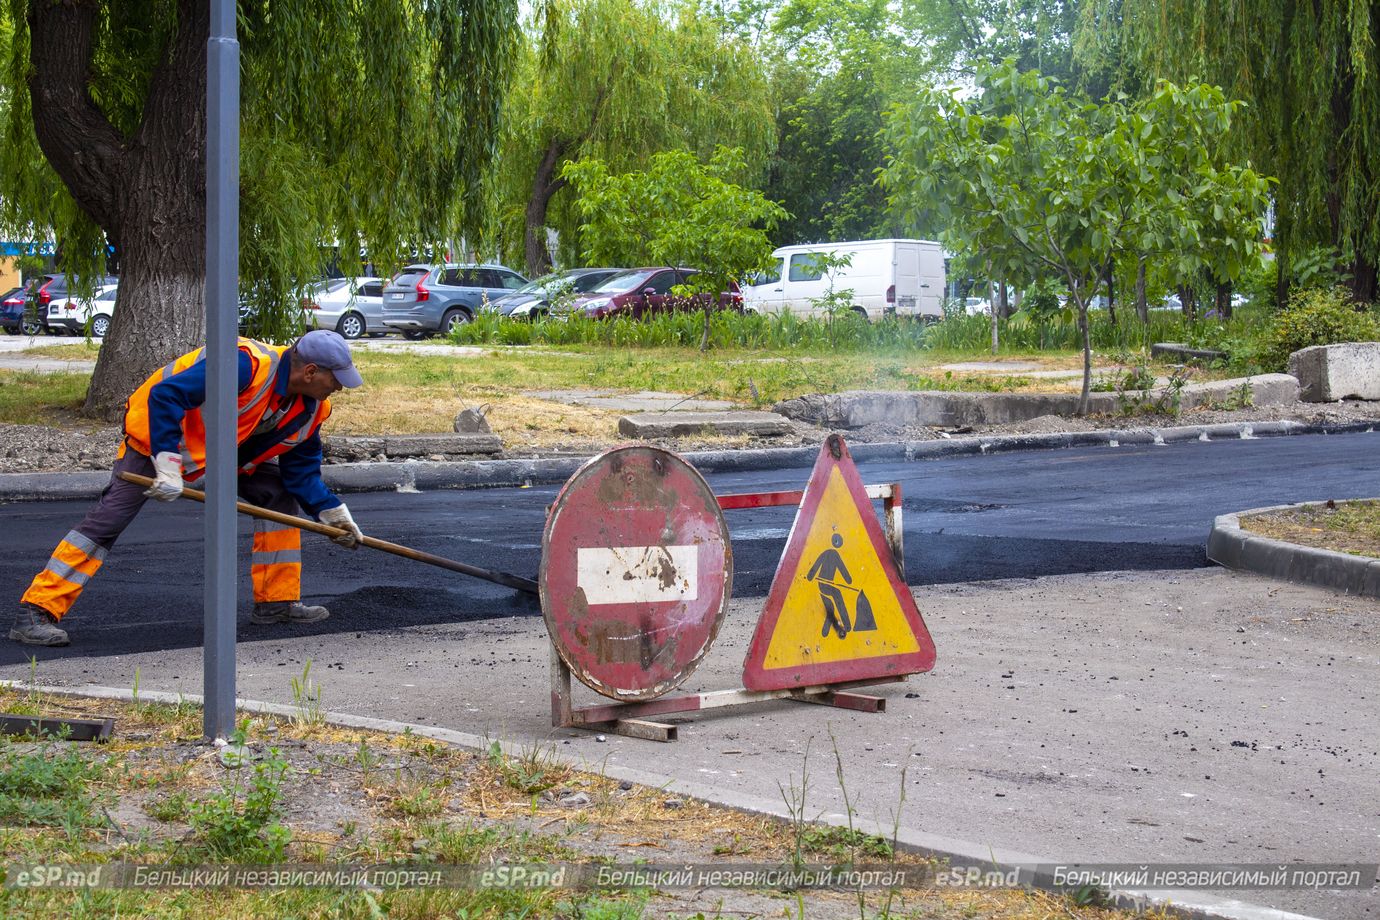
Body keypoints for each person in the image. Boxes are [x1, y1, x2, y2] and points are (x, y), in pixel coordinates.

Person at [12, 330, 367, 647]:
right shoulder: (246, 366)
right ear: (310, 372)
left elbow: (301, 474)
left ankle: (276, 603)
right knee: (108, 520)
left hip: (222, 453)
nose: (338, 389)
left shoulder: (311, 409)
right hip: (156, 441)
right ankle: (37, 610)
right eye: (335, 381)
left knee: (278, 497)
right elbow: (166, 395)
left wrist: (332, 515)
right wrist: (166, 463)